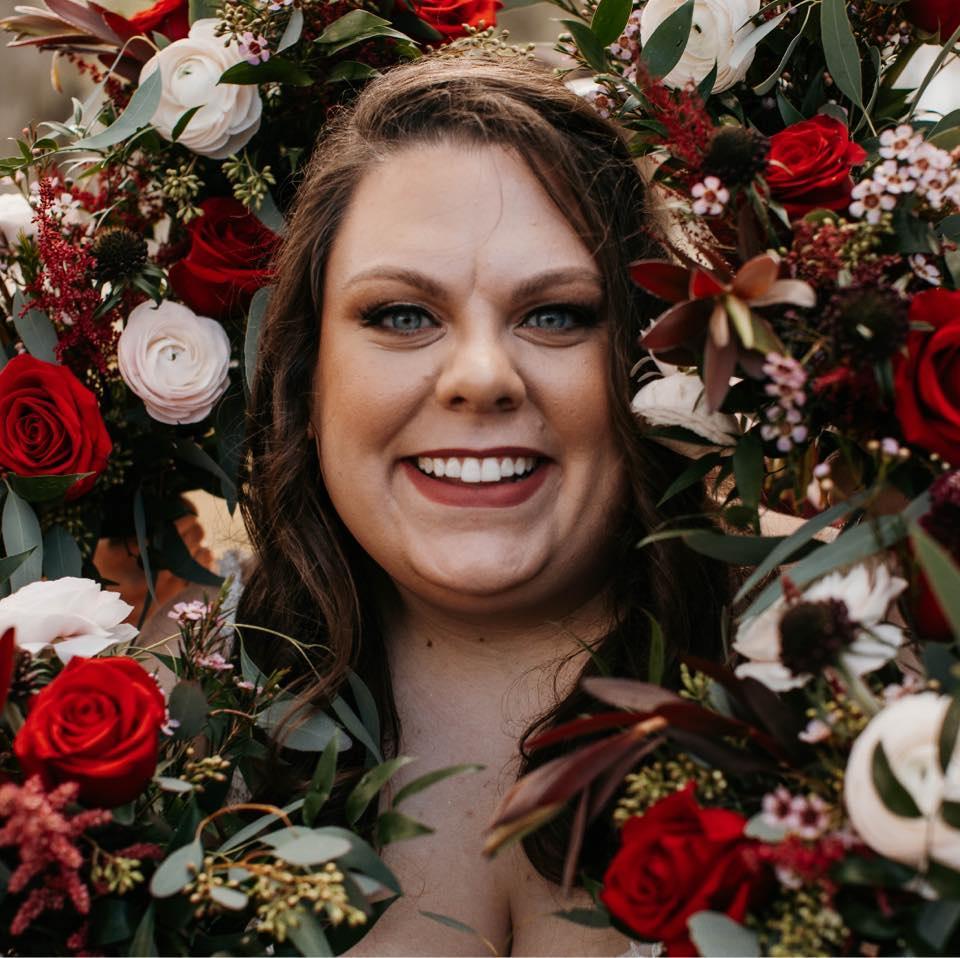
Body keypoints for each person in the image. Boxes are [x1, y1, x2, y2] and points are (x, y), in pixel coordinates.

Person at [236, 53, 729, 956]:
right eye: (401, 315)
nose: (481, 377)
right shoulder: (167, 723)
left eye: (556, 314)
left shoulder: (853, 679)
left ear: (648, 362)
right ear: (307, 379)